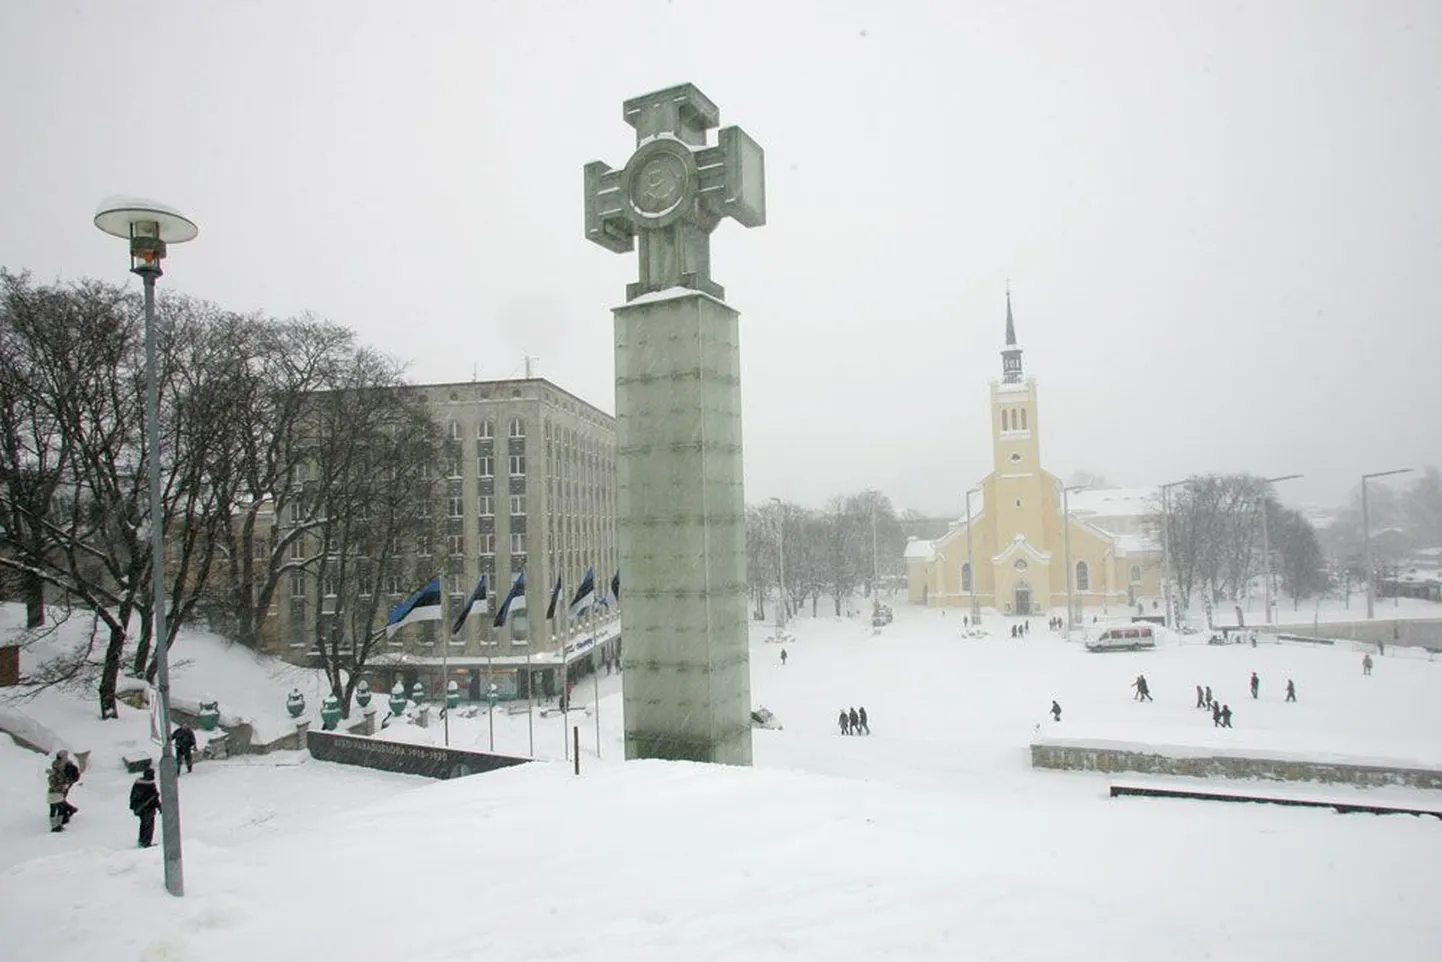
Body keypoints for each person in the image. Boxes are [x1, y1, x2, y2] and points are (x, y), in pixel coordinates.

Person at [129, 765, 161, 848]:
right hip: (148, 809)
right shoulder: (150, 785)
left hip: (140, 809)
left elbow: (133, 796)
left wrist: (134, 805)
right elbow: (154, 797)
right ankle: (146, 842)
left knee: (143, 824)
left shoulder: (138, 783)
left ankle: (142, 840)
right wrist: (159, 807)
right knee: (149, 826)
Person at [46, 754, 70, 833]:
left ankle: (56, 825)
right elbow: (56, 785)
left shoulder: (53, 774)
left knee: (55, 809)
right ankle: (57, 826)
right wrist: (64, 786)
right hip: (56, 794)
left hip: (53, 794)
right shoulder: (58, 775)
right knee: (59, 809)